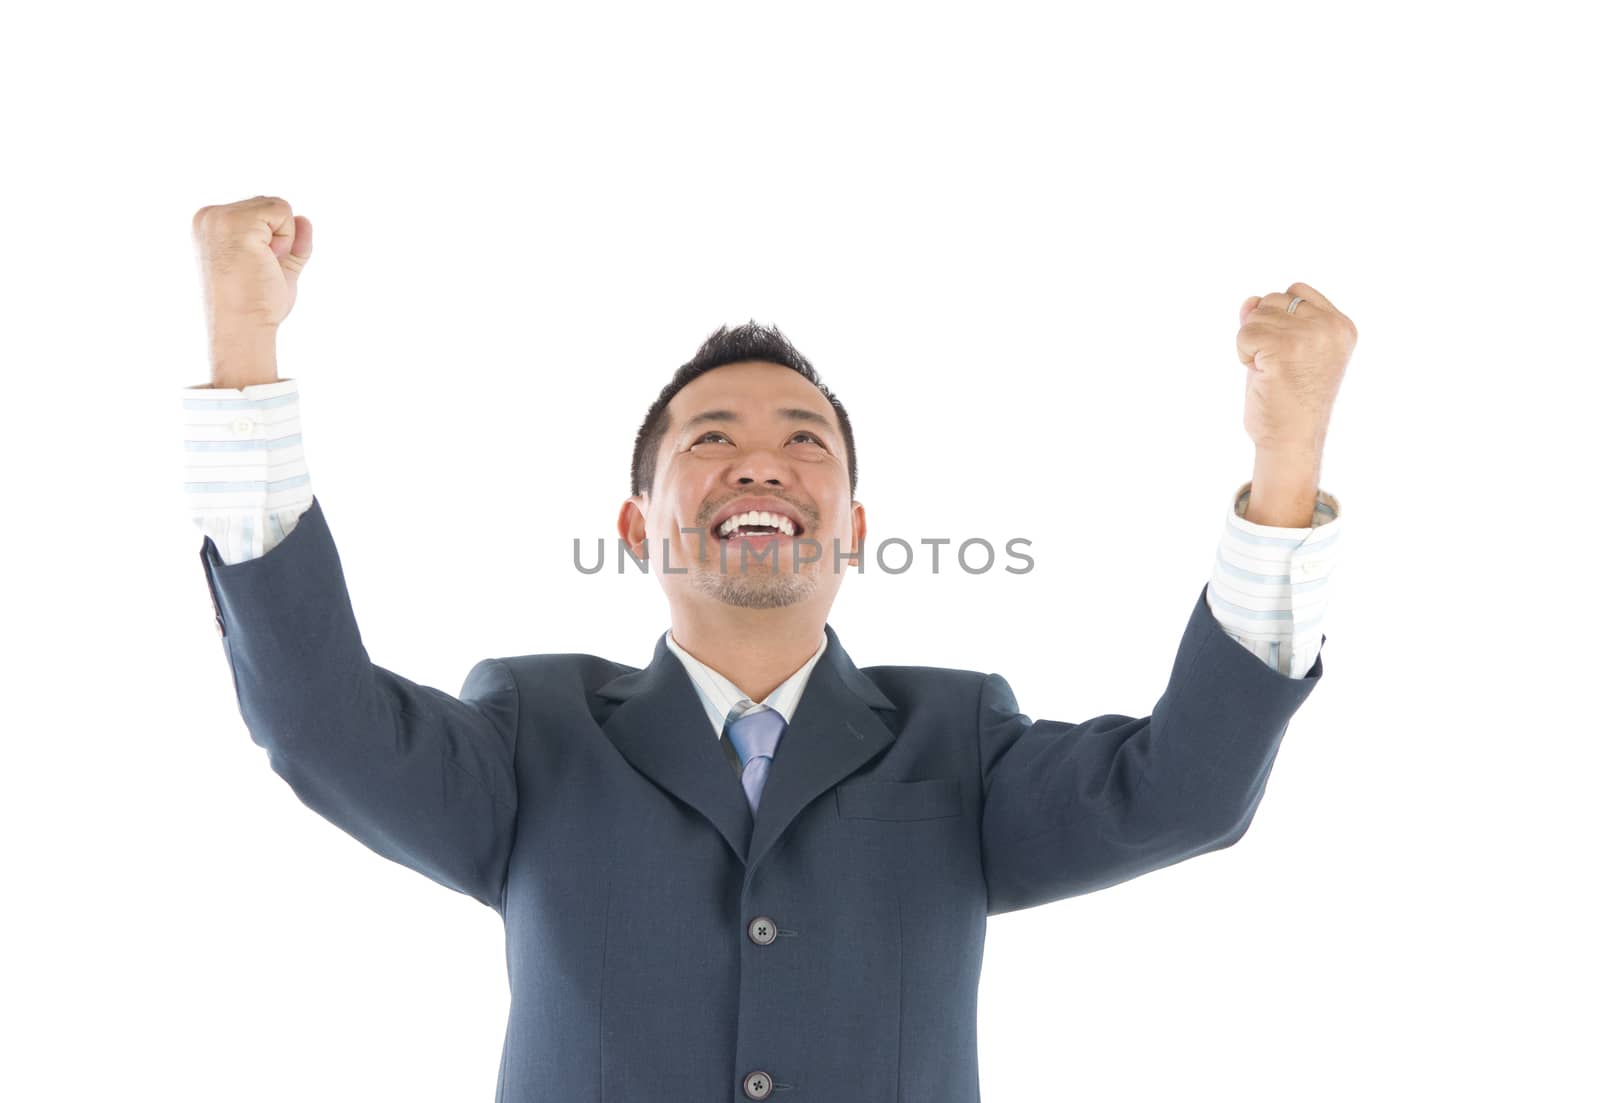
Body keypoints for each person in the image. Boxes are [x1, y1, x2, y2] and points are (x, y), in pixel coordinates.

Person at [184, 196, 1351, 1102]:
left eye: (805, 440)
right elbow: (317, 721)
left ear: (850, 528)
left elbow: (1188, 788)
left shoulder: (959, 741)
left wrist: (1285, 449)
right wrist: (244, 340)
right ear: (639, 525)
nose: (760, 462)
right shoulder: (532, 732)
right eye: (711, 438)